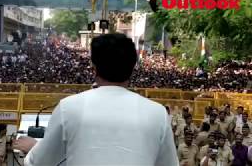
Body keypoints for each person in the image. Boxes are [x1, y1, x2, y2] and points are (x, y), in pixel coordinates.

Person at [13, 33, 179, 165]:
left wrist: (33, 147)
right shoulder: (157, 113)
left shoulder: (68, 108)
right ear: (133, 67)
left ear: (93, 67)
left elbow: (41, 161)